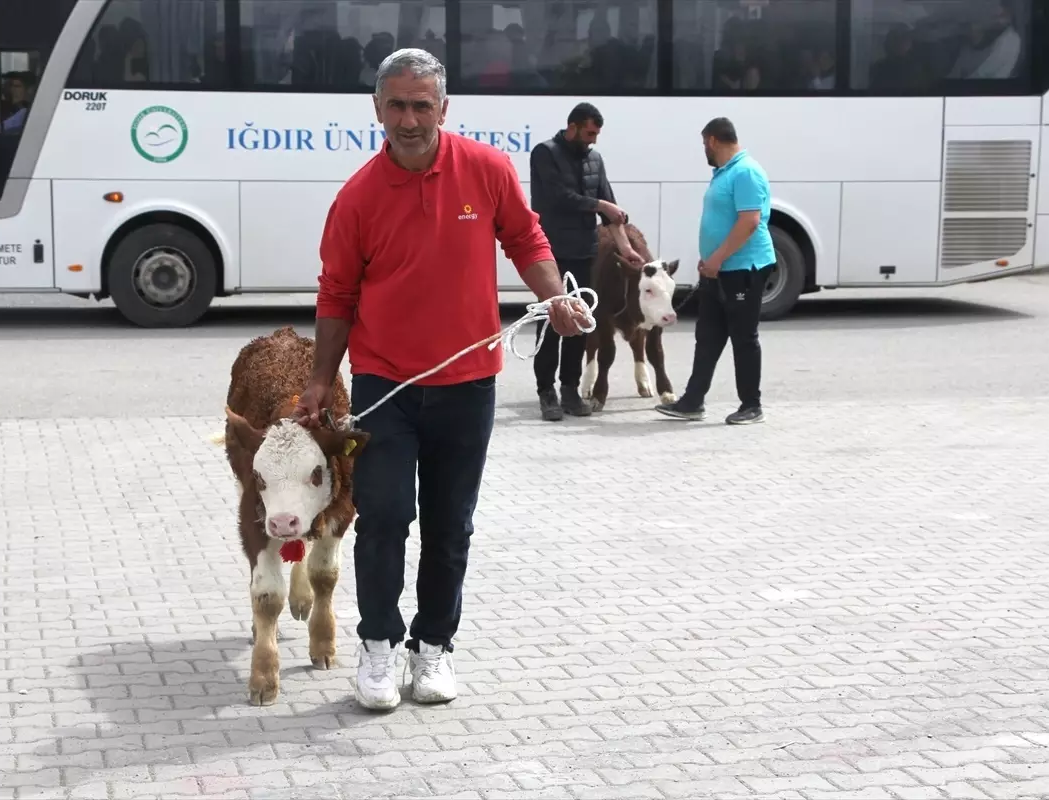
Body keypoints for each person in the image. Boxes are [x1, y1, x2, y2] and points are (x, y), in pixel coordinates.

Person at [293, 47, 588, 711]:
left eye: (421, 105)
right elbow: (337, 293)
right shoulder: (358, 197)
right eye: (396, 105)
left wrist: (555, 298)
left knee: (451, 524)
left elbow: (528, 240)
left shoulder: (485, 170)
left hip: (468, 384)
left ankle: (433, 651)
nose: (409, 118)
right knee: (387, 516)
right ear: (377, 110)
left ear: (443, 109)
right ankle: (378, 649)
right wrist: (320, 379)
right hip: (383, 387)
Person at [655, 117, 775, 425]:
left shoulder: (746, 172)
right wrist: (709, 260)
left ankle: (752, 404)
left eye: (703, 145)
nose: (703, 151)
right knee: (707, 336)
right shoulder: (725, 173)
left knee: (743, 337)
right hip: (717, 270)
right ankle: (693, 401)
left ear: (712, 141)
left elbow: (749, 222)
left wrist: (718, 258)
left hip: (742, 269)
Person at [529, 102, 644, 421]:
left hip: (584, 252)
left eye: (597, 134)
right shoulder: (545, 153)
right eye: (590, 132)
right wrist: (601, 205)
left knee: (578, 322)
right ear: (574, 126)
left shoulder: (595, 158)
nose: (593, 140)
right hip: (551, 252)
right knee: (551, 320)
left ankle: (570, 389)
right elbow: (558, 198)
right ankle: (546, 392)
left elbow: (611, 212)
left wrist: (625, 248)